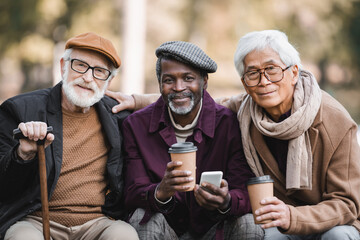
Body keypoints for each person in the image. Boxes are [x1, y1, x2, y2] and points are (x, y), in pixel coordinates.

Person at [108, 30, 360, 239]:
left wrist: (292, 216)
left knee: (337, 237)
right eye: (253, 73)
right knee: (263, 230)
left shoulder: (334, 121)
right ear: (244, 82)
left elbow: (348, 204)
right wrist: (136, 100)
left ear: (294, 72)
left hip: (325, 220)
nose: (263, 81)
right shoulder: (246, 109)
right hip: (273, 218)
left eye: (272, 69)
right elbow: (190, 101)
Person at [116, 41, 263, 239]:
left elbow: (245, 190)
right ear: (159, 83)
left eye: (188, 78)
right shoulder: (136, 126)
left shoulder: (229, 124)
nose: (178, 87)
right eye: (169, 80)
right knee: (143, 219)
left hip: (214, 229)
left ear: (204, 81)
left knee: (248, 223)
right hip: (167, 228)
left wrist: (226, 201)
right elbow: (133, 191)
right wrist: (160, 192)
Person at [0, 32, 138, 240]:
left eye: (100, 71)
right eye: (80, 65)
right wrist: (22, 155)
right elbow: (4, 185)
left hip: (97, 223)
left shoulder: (119, 116)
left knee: (125, 235)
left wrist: (138, 100)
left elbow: (176, 103)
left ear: (109, 82)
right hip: (34, 221)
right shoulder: (20, 110)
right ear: (63, 65)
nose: (88, 77)